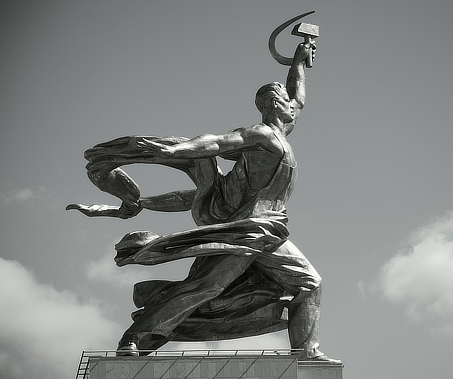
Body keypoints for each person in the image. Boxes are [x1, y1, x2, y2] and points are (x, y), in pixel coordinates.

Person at [68, 42, 339, 363]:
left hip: (271, 233)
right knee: (205, 288)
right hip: (247, 232)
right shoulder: (260, 135)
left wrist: (300, 61)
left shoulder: (282, 130)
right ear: (272, 105)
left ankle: (307, 354)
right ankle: (136, 338)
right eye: (285, 101)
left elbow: (299, 97)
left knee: (309, 283)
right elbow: (217, 141)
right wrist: (174, 151)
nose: (293, 106)